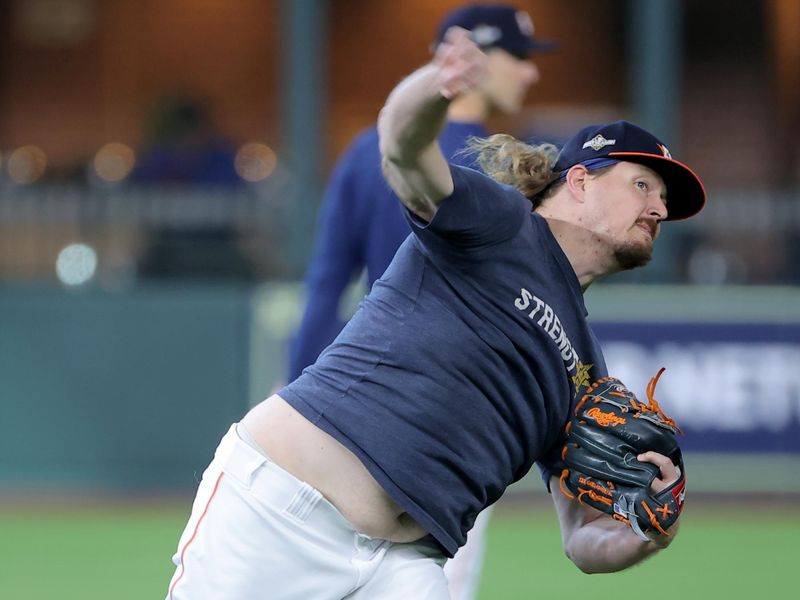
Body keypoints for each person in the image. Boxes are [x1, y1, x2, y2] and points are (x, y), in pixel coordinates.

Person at [165, 25, 706, 600]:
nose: (658, 208)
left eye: (666, 202)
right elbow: (401, 149)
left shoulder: (586, 373)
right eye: (643, 184)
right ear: (578, 181)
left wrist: (650, 526)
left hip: (410, 565)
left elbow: (582, 540)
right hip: (284, 514)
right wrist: (434, 85)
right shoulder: (501, 224)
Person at [287, 6, 551, 597]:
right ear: (478, 59)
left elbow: (325, 288)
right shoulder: (509, 168)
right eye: (520, 57)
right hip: (452, 423)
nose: (531, 74)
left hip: (355, 410)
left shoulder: (362, 152)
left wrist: (298, 405)